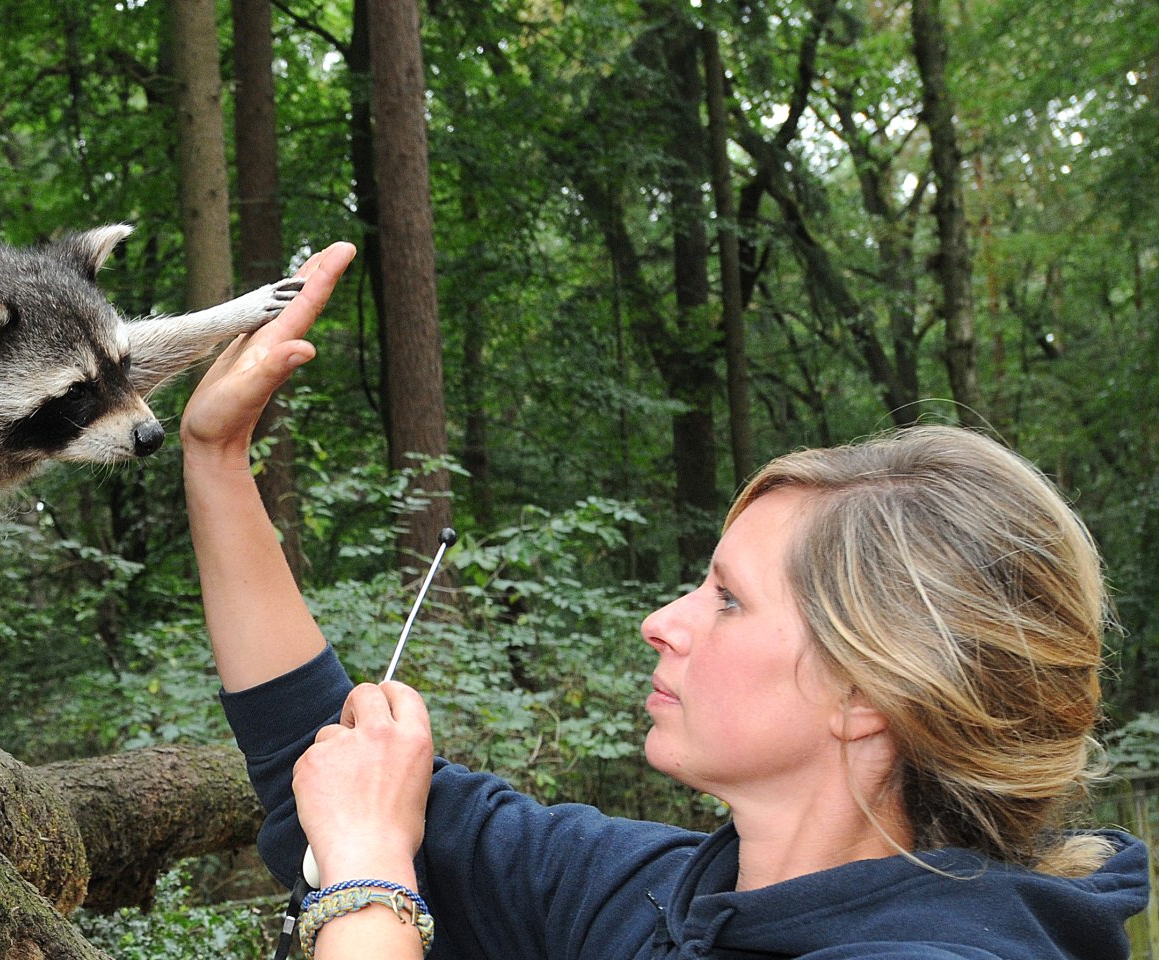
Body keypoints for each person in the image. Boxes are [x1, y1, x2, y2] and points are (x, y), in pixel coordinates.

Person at [180, 242, 1151, 960]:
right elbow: (315, 772)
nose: (664, 621)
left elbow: (360, 852)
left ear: (870, 694)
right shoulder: (682, 895)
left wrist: (367, 890)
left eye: (727, 601)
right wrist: (218, 464)